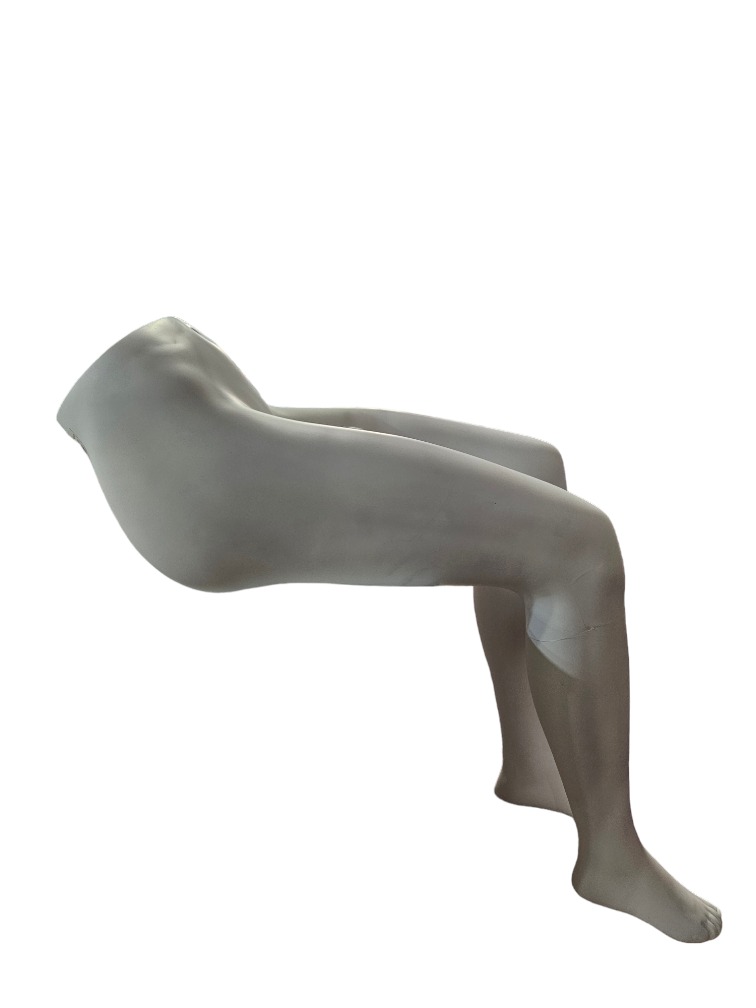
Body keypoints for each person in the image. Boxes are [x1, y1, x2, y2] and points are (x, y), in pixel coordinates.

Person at [57, 316, 721, 942]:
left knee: (536, 467)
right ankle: (611, 855)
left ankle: (534, 766)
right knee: (580, 547)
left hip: (211, 402)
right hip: (192, 448)